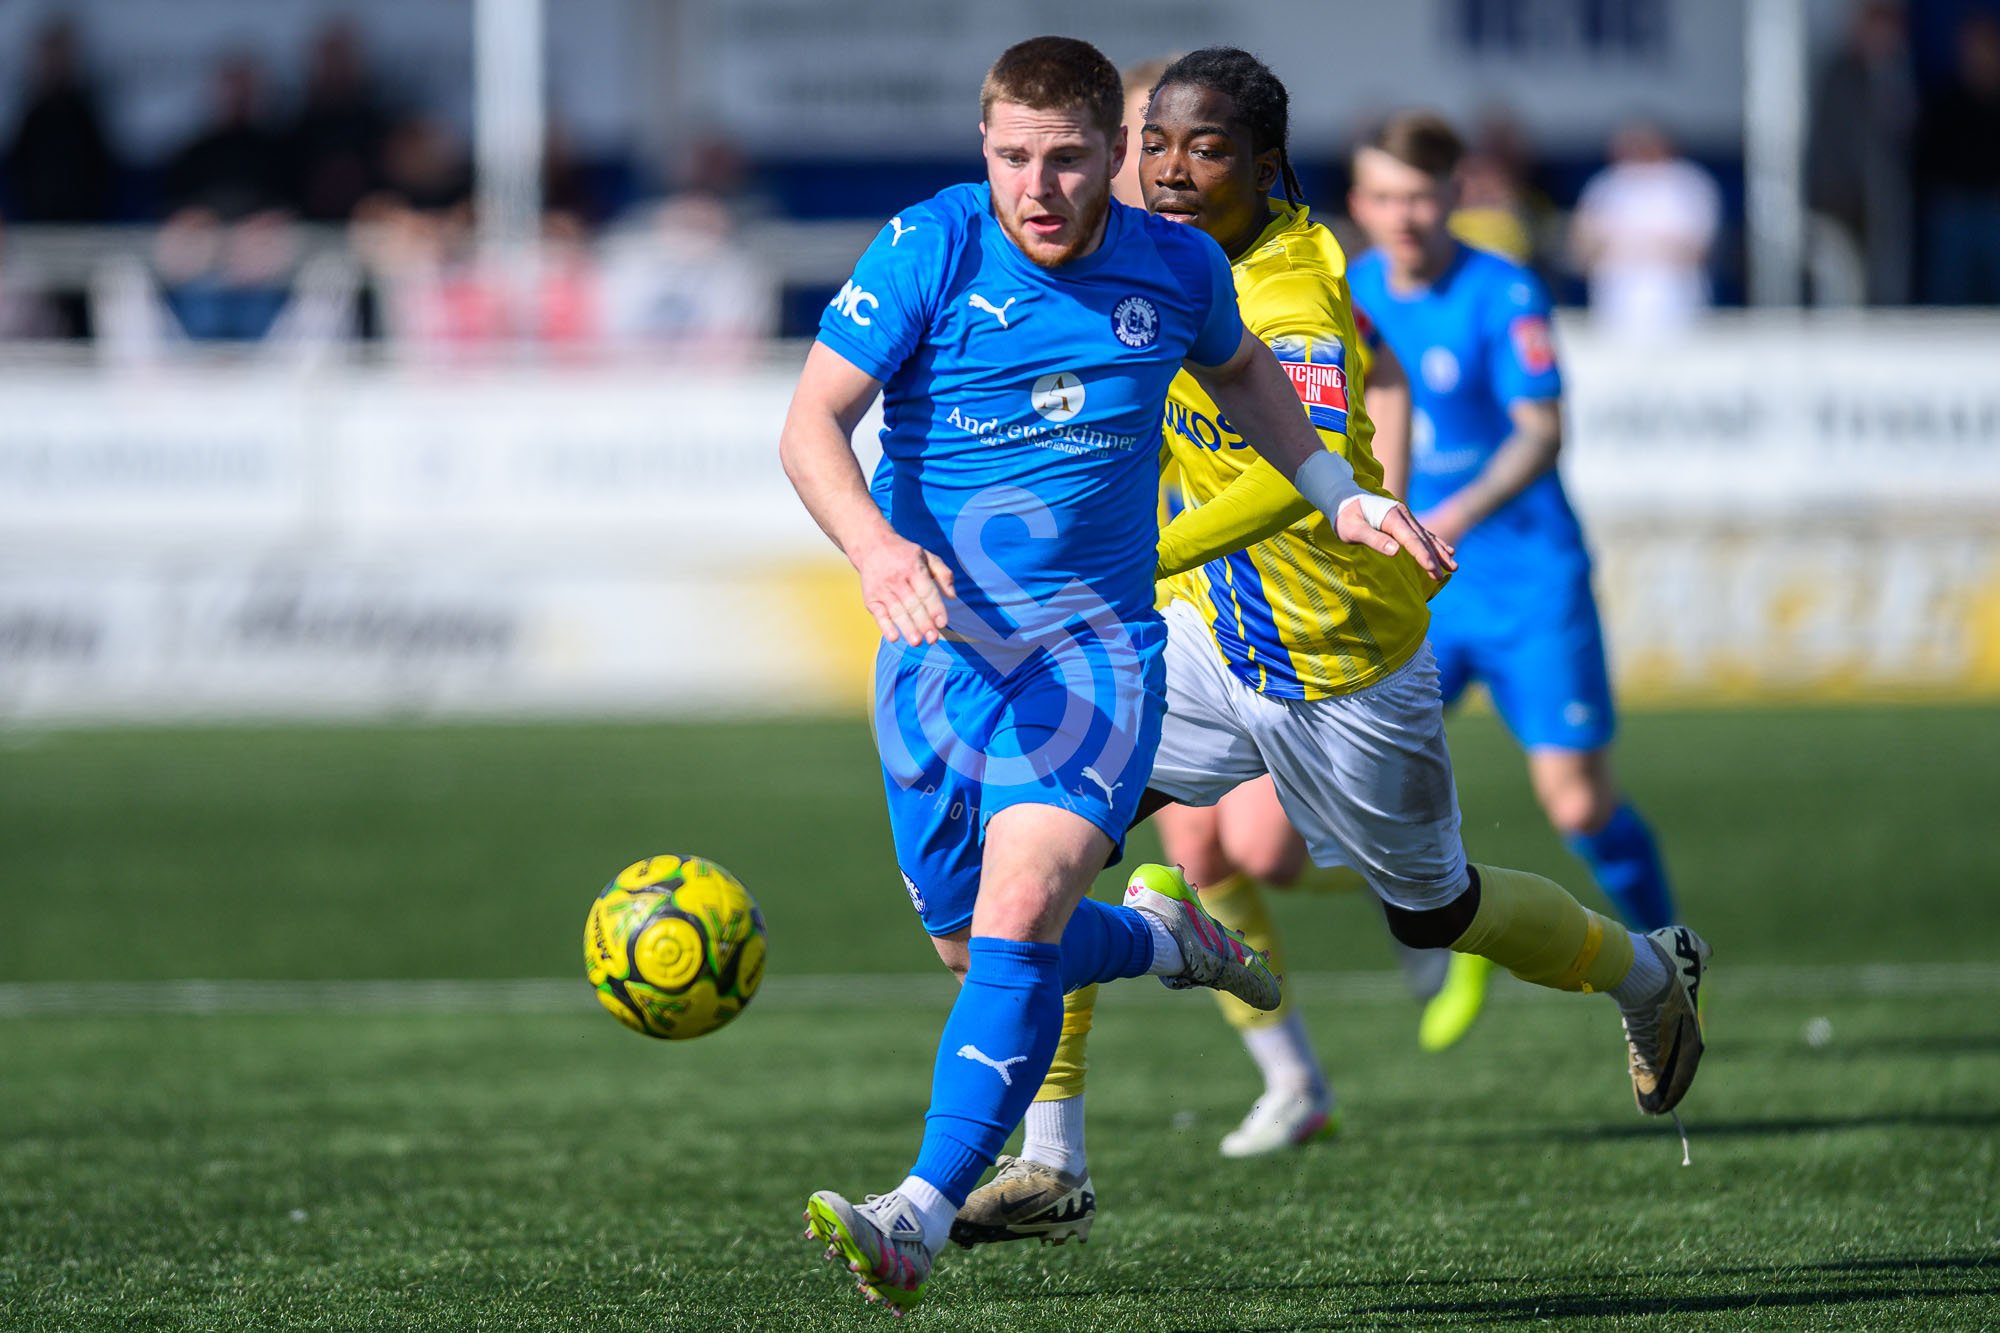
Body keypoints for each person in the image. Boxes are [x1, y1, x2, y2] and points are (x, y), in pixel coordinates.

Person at [951, 50, 1710, 1249]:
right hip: (1209, 639)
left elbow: (1295, 482)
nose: (1166, 169)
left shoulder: (1292, 292)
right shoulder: (1164, 254)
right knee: (1041, 836)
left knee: (1435, 911)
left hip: (1338, 663)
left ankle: (1644, 978)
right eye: (1154, 144)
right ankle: (1050, 1163)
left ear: (1265, 167)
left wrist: (1121, 558)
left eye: (1201, 149)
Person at [777, 36, 1453, 1314]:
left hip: (1093, 654)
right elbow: (810, 421)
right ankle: (1158, 939)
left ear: (1115, 154)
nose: (1037, 186)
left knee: (1019, 912)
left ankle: (916, 1211)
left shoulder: (1174, 264)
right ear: (985, 150)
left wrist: (1342, 496)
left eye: (1069, 158)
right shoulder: (928, 247)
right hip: (933, 656)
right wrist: (871, 546)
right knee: (962, 938)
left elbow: (1247, 373)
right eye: (1013, 157)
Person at [1347, 112, 1685, 1048]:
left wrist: (1449, 512)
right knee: (1360, 781)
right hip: (1415, 588)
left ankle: (1669, 949)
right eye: (1384, 196)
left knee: (1577, 801)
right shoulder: (1348, 293)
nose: (1403, 215)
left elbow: (1542, 429)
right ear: (1359, 204)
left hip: (1528, 576)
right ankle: (1450, 938)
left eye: (1421, 195)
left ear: (1456, 195)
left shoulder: (1504, 291)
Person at [1566, 121, 1720, 335]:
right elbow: (1582, 249)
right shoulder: (1605, 185)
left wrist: (1623, 247)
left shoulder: (1688, 183)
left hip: (1676, 307)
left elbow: (1695, 249)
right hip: (1615, 307)